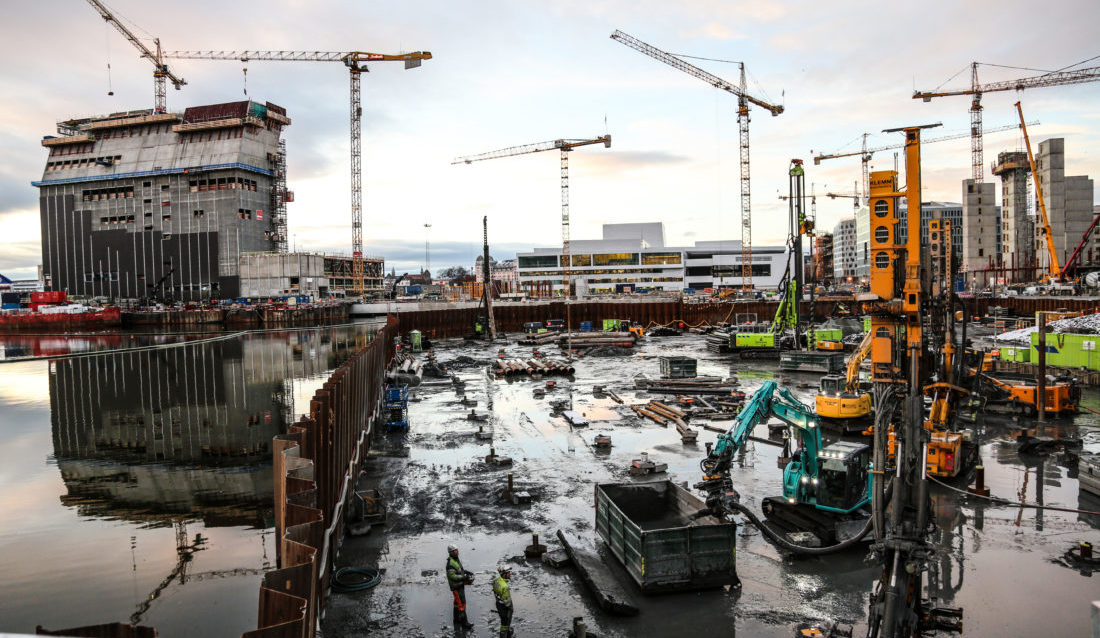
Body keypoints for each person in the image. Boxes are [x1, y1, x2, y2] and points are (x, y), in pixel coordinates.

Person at [446, 544, 475, 630]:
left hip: (459, 585)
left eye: (457, 550)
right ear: (451, 552)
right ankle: (465, 624)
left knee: (456, 604)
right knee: (462, 604)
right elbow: (453, 576)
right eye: (455, 550)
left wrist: (466, 572)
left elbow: (459, 570)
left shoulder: (455, 560)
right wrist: (464, 577)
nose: (457, 552)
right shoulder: (450, 563)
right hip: (456, 587)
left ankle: (456, 620)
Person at [492, 564, 514, 638]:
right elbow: (508, 603)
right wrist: (511, 608)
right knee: (505, 622)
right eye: (508, 573)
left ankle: (506, 632)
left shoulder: (495, 581)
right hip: (505, 608)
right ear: (504, 574)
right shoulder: (505, 587)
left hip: (498, 604)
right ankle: (504, 635)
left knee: (503, 620)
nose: (510, 574)